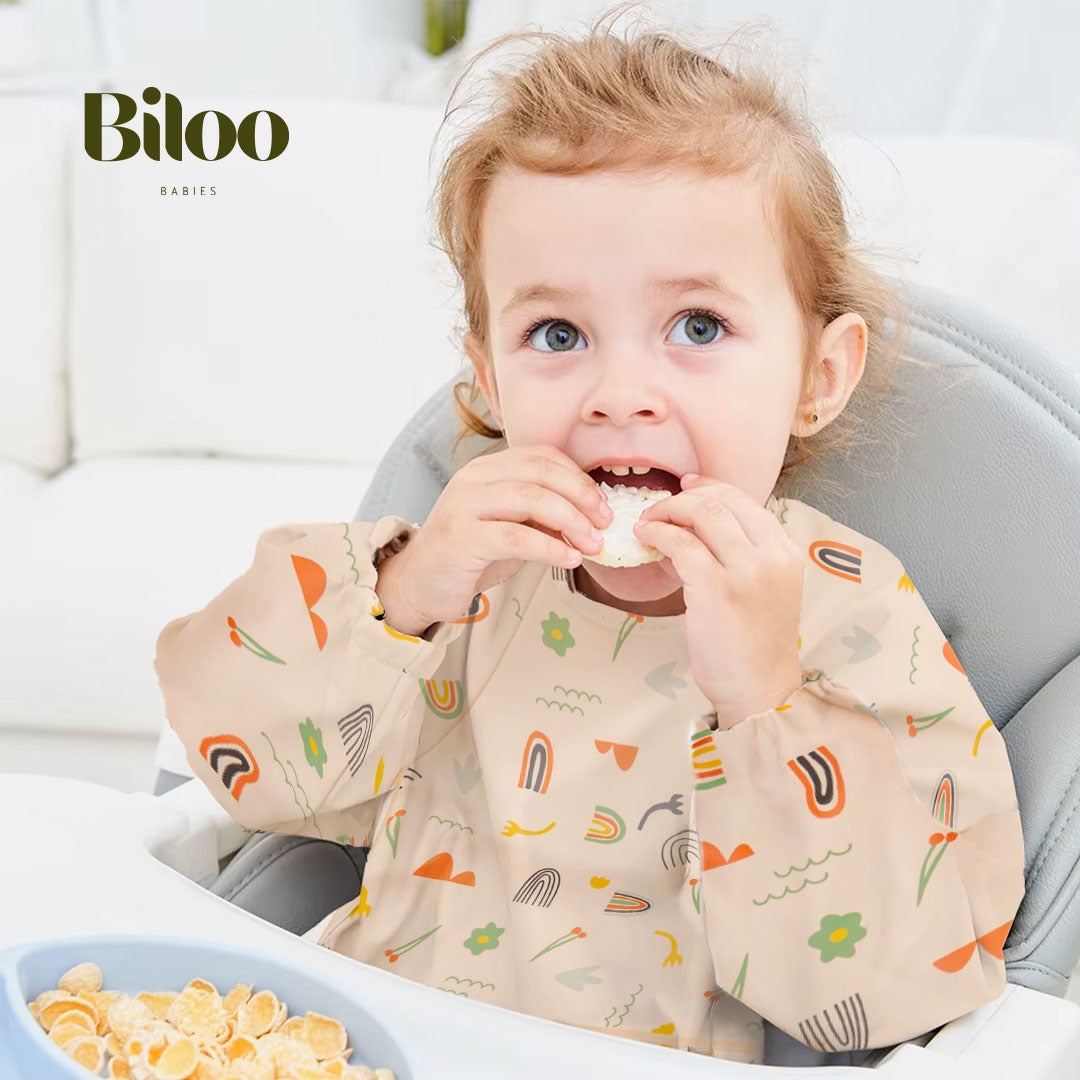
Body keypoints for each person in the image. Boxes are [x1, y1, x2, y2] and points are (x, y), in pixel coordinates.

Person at [154, 3, 1025, 1064]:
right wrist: (408, 592)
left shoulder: (848, 615)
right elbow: (243, 766)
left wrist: (765, 703)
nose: (620, 393)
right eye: (557, 333)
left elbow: (884, 987)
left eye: (698, 327)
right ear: (487, 376)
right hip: (370, 1039)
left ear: (817, 375)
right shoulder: (455, 576)